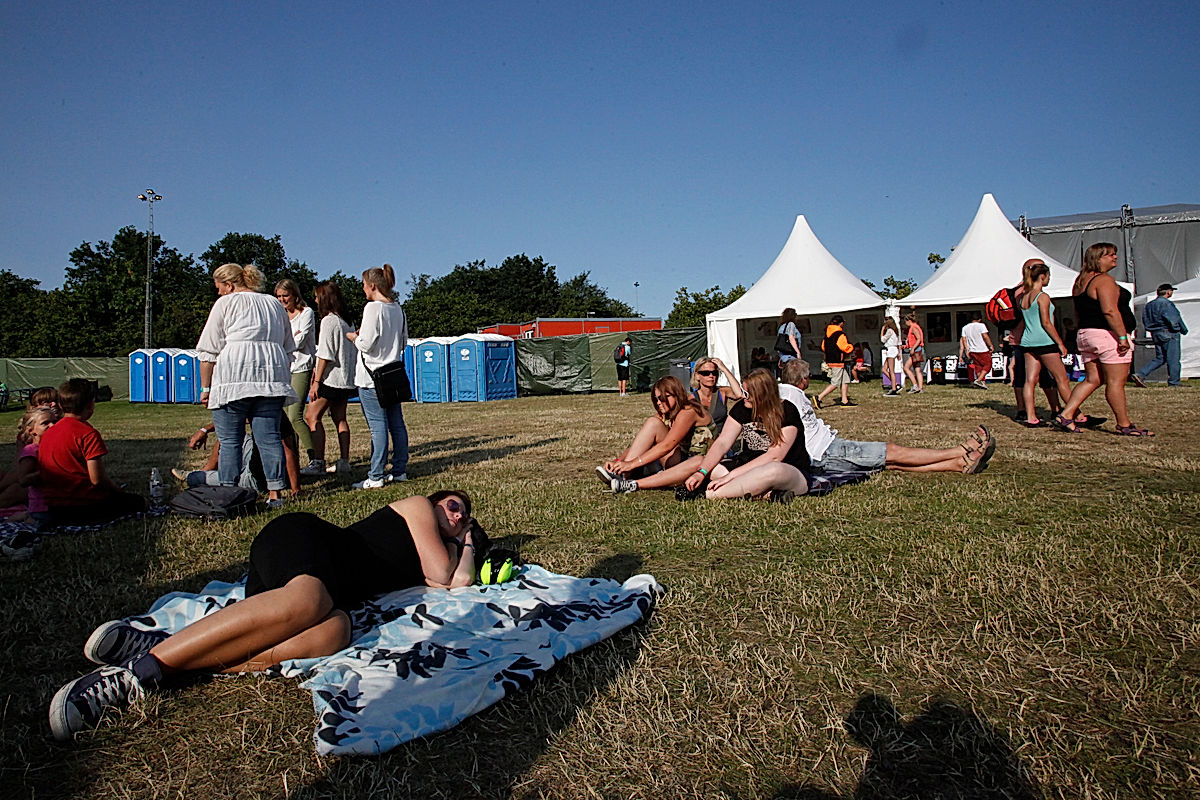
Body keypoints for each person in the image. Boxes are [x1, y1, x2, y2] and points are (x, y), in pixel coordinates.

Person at [48, 490, 485, 741]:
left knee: (334, 631)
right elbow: (444, 576)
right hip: (305, 542)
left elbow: (457, 582)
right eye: (452, 504)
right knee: (309, 602)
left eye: (464, 514)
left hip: (319, 595)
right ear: (435, 501)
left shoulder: (449, 547)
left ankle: (177, 665)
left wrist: (466, 544)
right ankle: (134, 677)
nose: (457, 512)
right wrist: (459, 543)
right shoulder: (417, 508)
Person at [610, 369, 810, 503]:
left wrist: (730, 476)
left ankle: (706, 494)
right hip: (746, 468)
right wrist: (702, 472)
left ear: (763, 394)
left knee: (771, 471)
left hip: (790, 472)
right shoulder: (742, 408)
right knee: (702, 464)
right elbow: (722, 442)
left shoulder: (787, 411)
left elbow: (774, 456)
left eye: (747, 392)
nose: (742, 395)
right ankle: (634, 484)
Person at [196, 264, 297, 508]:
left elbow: (208, 350)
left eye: (219, 288)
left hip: (233, 377)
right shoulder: (274, 304)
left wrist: (206, 388)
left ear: (229, 285)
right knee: (269, 439)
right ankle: (276, 495)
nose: (218, 293)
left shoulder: (225, 304)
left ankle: (228, 494)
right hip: (270, 378)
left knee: (230, 440)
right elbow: (288, 344)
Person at [779, 360, 994, 474]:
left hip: (826, 450)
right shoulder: (787, 395)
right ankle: (960, 451)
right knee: (893, 451)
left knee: (890, 462)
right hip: (827, 452)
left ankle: (957, 464)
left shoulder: (786, 393)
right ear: (804, 380)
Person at [1058, 243, 1152, 436]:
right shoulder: (1104, 280)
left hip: (1086, 334)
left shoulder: (1080, 281)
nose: (1115, 258)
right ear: (1097, 258)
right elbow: (1110, 311)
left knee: (1093, 379)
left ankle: (1067, 414)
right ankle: (1124, 424)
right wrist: (1122, 337)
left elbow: (1078, 310)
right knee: (1116, 382)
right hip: (1106, 335)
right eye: (1109, 255)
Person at [37, 379, 148, 526]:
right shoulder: (87, 434)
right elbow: (97, 480)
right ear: (90, 404)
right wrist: (118, 492)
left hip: (54, 509)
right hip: (85, 507)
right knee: (139, 502)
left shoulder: (49, 433)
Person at [348, 264, 409, 487]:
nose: (363, 289)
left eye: (364, 285)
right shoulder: (398, 309)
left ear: (372, 286)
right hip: (393, 374)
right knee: (397, 424)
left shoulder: (372, 308)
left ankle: (375, 475)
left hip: (371, 376)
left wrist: (353, 338)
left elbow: (366, 343)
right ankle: (400, 469)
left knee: (378, 426)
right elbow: (403, 342)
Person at [595, 375, 714, 487]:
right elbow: (642, 444)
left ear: (676, 394)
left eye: (662, 398)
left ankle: (630, 480)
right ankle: (622, 473)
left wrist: (631, 464)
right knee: (653, 423)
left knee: (697, 461)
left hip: (701, 464)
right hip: (680, 459)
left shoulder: (688, 411)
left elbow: (667, 446)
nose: (658, 403)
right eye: (656, 399)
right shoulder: (667, 412)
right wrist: (618, 461)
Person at [302, 281, 357, 475]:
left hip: (330, 379)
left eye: (317, 297)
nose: (315, 300)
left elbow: (325, 354)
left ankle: (318, 462)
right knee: (340, 418)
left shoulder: (328, 321)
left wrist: (316, 381)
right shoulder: (346, 321)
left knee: (312, 416)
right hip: (346, 380)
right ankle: (344, 460)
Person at [1012, 262, 1076, 427]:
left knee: (1029, 381)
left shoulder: (1024, 297)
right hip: (1044, 341)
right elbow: (1047, 323)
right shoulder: (1042, 297)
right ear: (1043, 277)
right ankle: (1073, 413)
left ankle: (1031, 417)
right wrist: (1060, 343)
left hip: (1027, 342)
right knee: (1062, 379)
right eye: (1048, 276)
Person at [173, 416, 302, 496]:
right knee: (229, 437)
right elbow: (233, 421)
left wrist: (295, 489)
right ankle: (207, 470)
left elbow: (288, 452)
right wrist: (205, 430)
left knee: (199, 479)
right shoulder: (268, 408)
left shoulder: (272, 416)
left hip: (257, 480)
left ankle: (195, 476)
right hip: (256, 460)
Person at [275, 279, 317, 466]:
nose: (283, 300)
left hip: (301, 367)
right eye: (279, 296)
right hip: (284, 367)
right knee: (284, 419)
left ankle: (315, 457)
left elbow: (297, 343)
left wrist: (287, 340)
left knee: (295, 415)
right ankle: (292, 460)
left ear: (294, 295)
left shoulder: (306, 313)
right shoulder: (280, 316)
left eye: (286, 296)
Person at [1, 406, 60, 523]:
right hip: (42, 507)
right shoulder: (31, 451)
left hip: (56, 503)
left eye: (54, 422)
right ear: (31, 430)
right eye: (45, 423)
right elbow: (23, 479)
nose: (52, 426)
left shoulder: (52, 447)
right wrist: (49, 471)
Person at [1133, 283, 1189, 387]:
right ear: (1169, 292)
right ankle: (1174, 382)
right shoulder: (1166, 304)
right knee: (1173, 359)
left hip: (1155, 333)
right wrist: (1182, 329)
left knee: (1161, 358)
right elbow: (1174, 319)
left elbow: (1145, 320)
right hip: (1169, 333)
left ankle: (1141, 374)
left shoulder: (1149, 305)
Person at [687, 356, 743, 436]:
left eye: (714, 373)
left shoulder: (722, 392)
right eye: (706, 373)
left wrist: (724, 369)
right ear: (697, 376)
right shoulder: (691, 399)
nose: (711, 376)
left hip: (721, 440)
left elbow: (739, 394)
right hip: (702, 443)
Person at [815, 315, 856, 408]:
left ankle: (844, 400)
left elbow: (823, 347)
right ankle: (819, 397)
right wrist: (851, 347)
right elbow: (844, 347)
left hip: (830, 359)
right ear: (841, 323)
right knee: (835, 382)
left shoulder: (827, 334)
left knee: (845, 379)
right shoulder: (840, 334)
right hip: (837, 360)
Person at [958, 311, 994, 389]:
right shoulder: (981, 326)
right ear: (979, 319)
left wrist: (967, 349)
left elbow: (964, 339)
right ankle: (979, 380)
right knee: (988, 365)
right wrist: (990, 345)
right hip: (982, 349)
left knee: (978, 366)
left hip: (972, 350)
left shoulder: (965, 327)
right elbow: (985, 336)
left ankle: (981, 383)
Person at [901, 313, 926, 393]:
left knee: (906, 368)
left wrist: (913, 348)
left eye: (906, 321)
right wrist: (906, 346)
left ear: (909, 321)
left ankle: (915, 385)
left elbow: (918, 339)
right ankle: (920, 388)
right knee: (917, 369)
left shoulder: (913, 328)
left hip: (916, 350)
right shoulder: (915, 327)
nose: (905, 323)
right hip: (918, 349)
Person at [880, 317, 901, 396]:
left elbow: (883, 340)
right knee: (884, 369)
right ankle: (894, 383)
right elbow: (899, 342)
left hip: (891, 349)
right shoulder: (896, 331)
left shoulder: (890, 331)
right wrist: (899, 352)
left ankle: (894, 389)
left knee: (891, 370)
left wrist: (882, 330)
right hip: (894, 349)